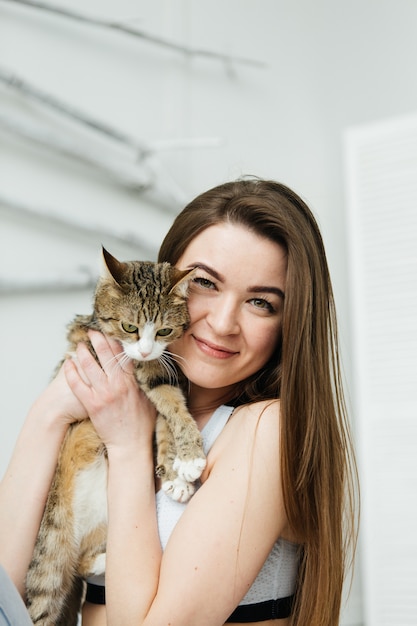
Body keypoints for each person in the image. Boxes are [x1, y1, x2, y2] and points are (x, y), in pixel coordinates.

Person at [0, 178, 358, 626]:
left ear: (291, 322)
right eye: (206, 283)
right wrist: (50, 412)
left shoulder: (266, 429)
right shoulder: (130, 406)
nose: (224, 322)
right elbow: (7, 596)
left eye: (261, 303)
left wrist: (129, 447)